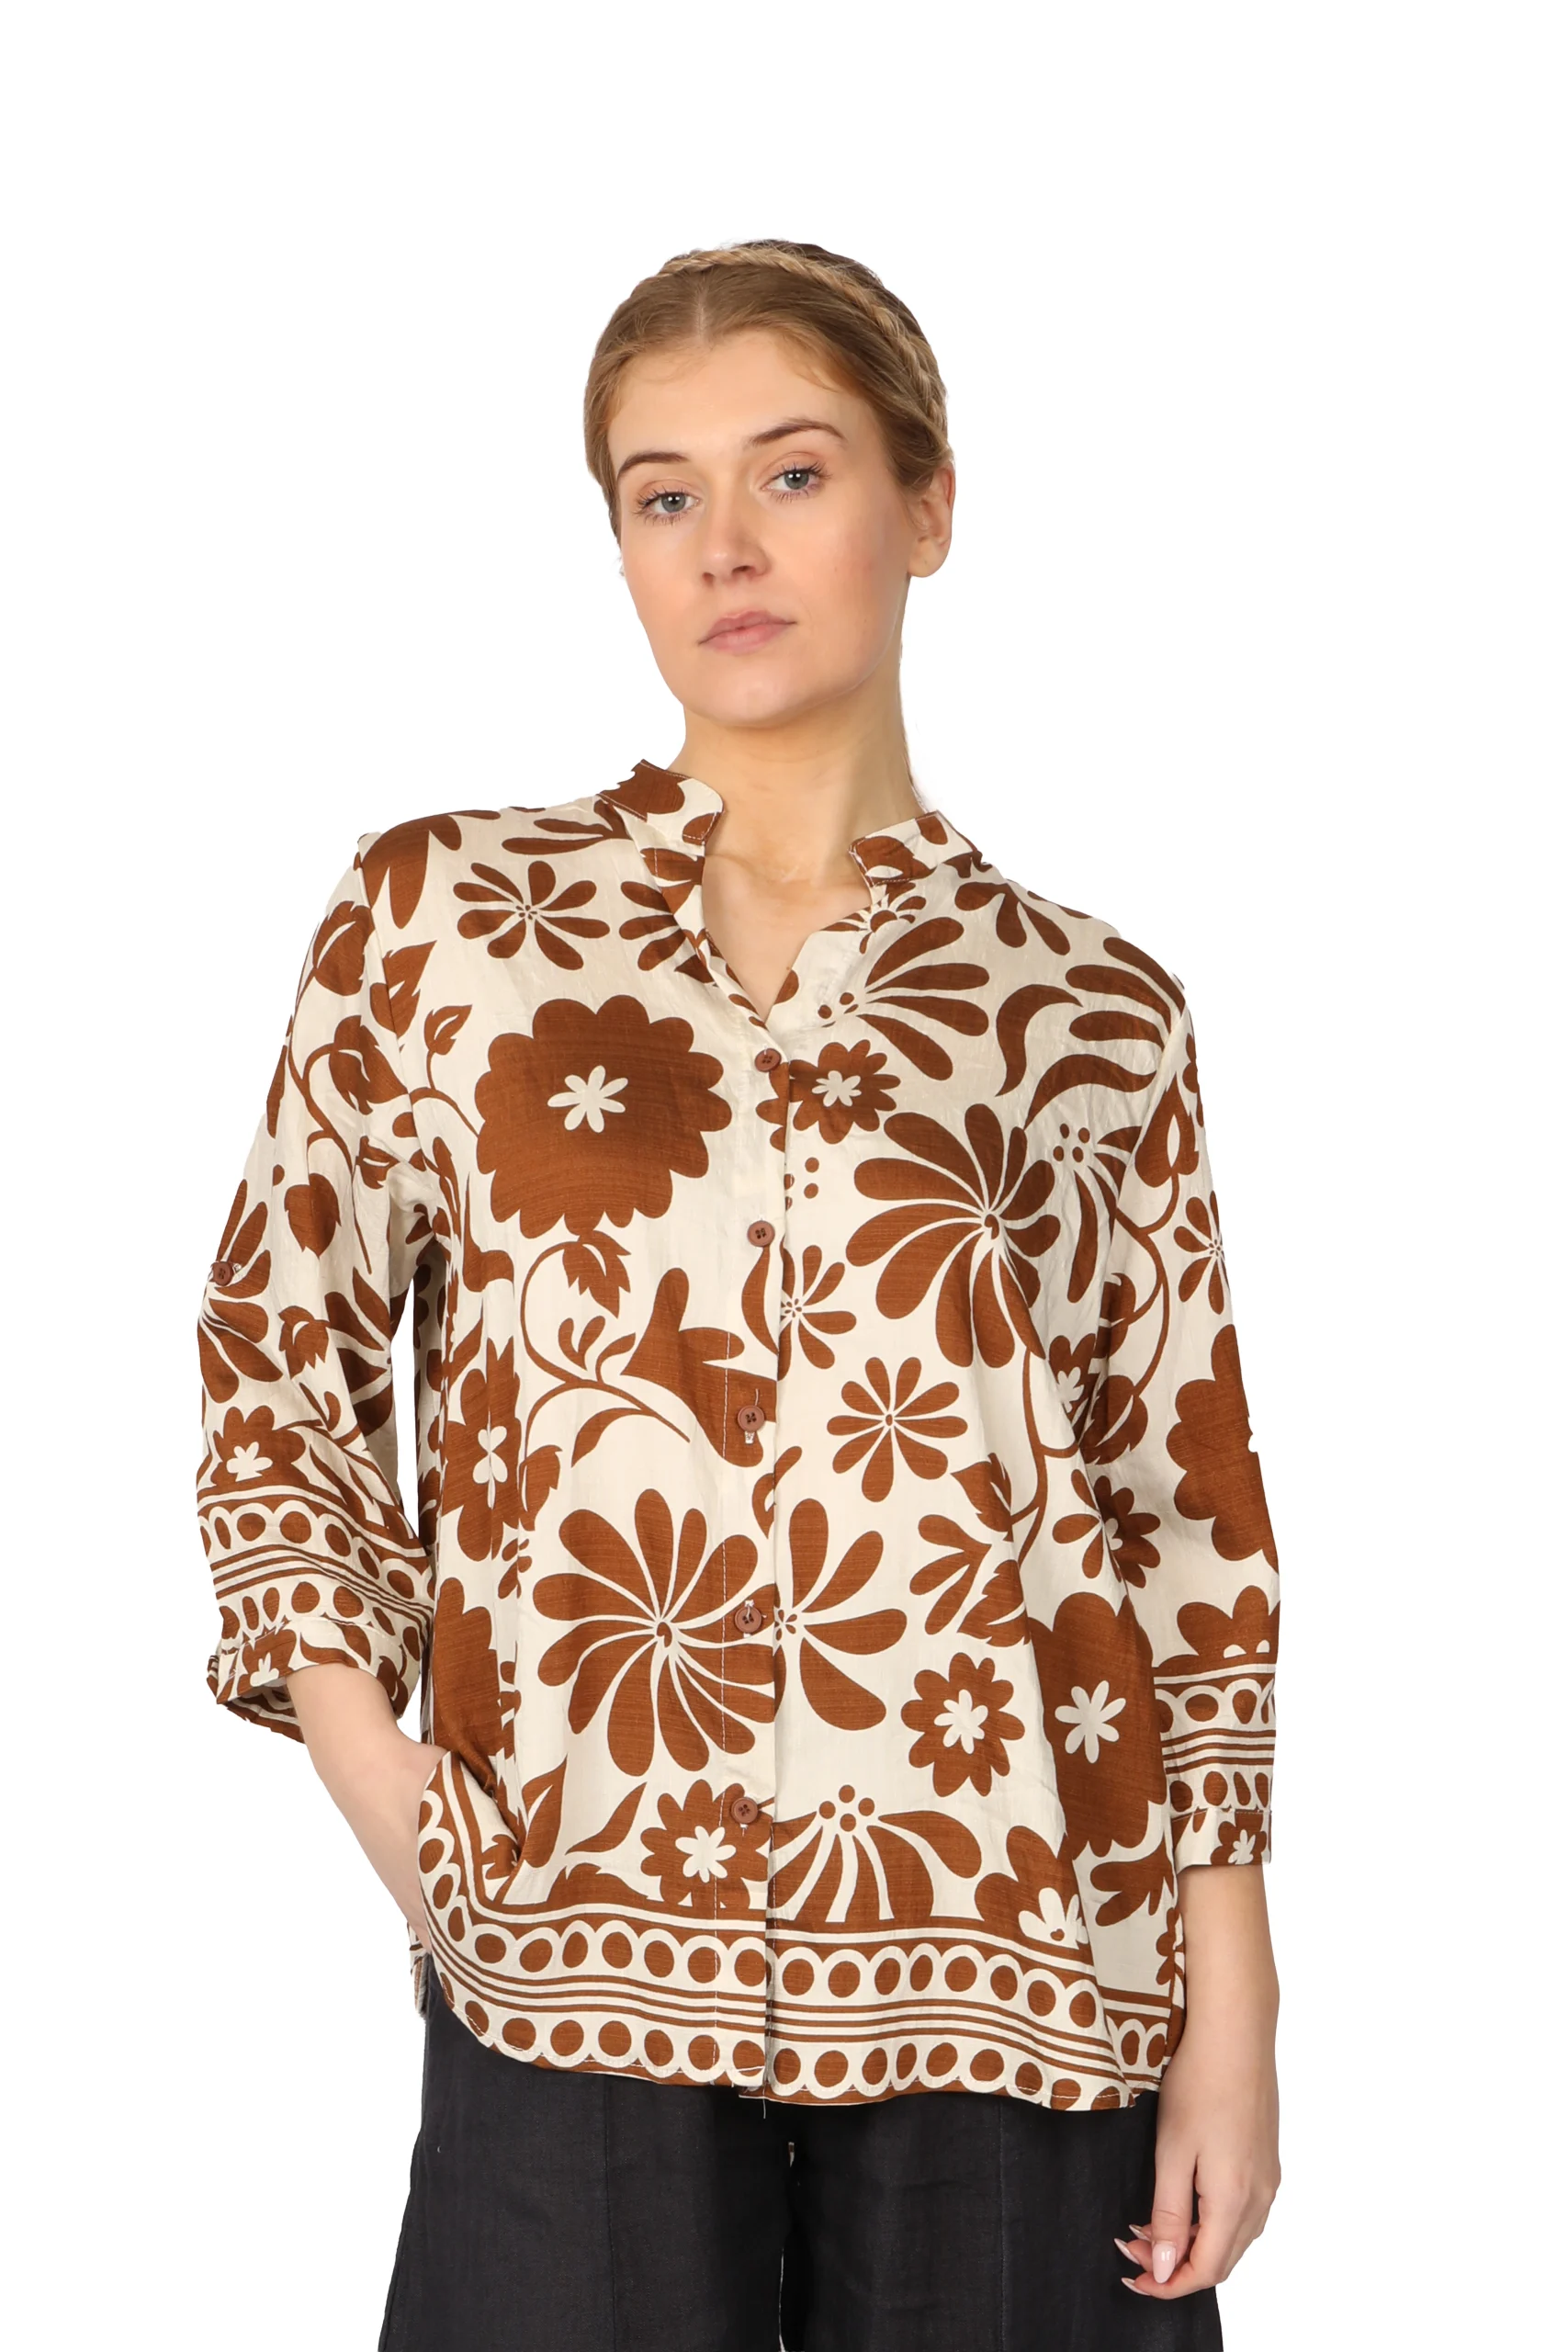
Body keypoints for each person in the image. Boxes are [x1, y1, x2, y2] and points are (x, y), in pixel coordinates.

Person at [197, 239, 1281, 2352]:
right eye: (660, 493)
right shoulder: (443, 920)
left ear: (927, 505)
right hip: (569, 1918)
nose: (724, 546)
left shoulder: (1091, 1008)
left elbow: (1181, 1508)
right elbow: (274, 1340)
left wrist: (1228, 1997)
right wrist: (382, 1775)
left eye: (792, 473)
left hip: (1020, 1935)